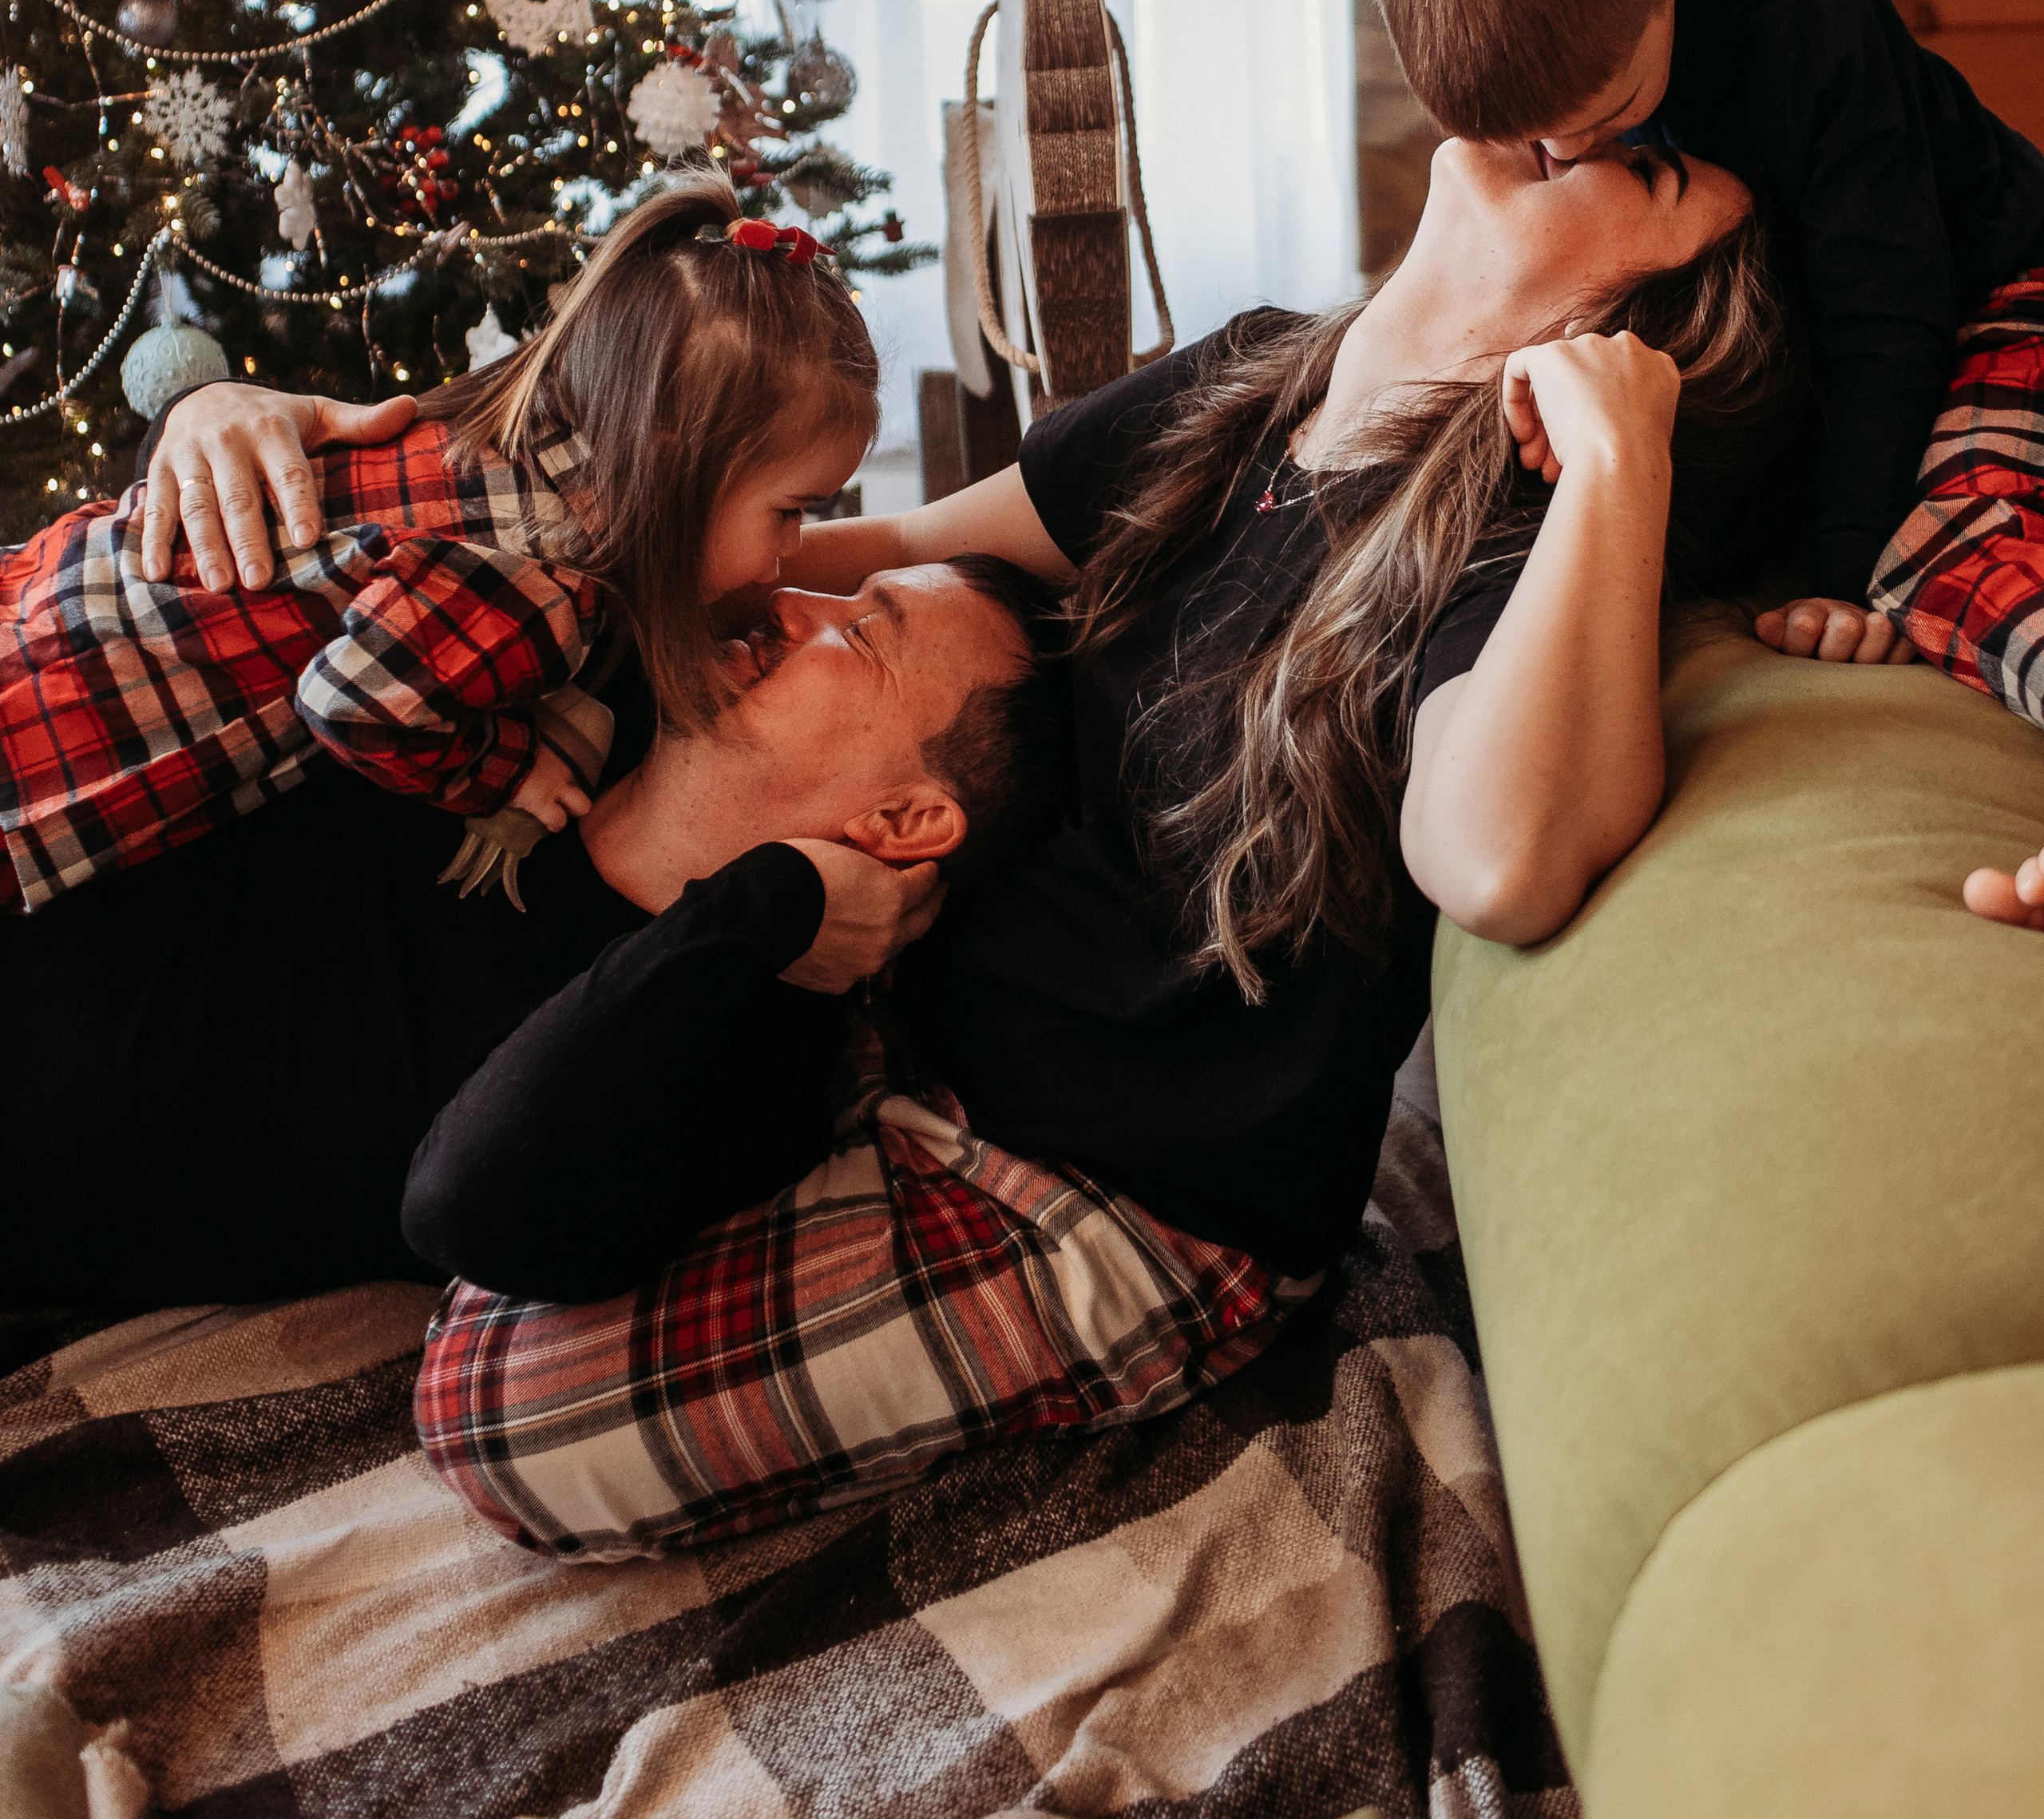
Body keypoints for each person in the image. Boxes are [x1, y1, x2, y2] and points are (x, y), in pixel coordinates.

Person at [160, 134, 1808, 1556]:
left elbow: (1506, 857)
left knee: (500, 1404)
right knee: (552, 1153)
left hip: (1104, 1193)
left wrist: (1617, 456)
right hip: (921, 1042)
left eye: (1639, 162)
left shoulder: (1490, 543)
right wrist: (407, 469)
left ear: (1602, 321)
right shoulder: (1251, 379)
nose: (1556, 123)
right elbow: (863, 547)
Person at [0, 553, 1033, 1309]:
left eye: (859, 632)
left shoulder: (741, 1062)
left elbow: (468, 1202)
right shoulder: (578, 672)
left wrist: (769, 905)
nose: (793, 599)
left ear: (904, 822)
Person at [1361, 0, 2044, 716]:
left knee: (1936, 554)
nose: (1574, 151)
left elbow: (1885, 319)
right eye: (1535, 138)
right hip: (1809, 339)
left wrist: (1841, 571)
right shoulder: (1564, 64)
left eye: (1610, 114)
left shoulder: (1809, 19)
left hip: (1995, 297)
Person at [0, 173, 876, 917]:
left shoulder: (483, 437)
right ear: (678, 458)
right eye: (791, 510)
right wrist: (505, 767)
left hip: (44, 596)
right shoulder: (549, 591)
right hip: (61, 743)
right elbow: (348, 704)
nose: (789, 553)